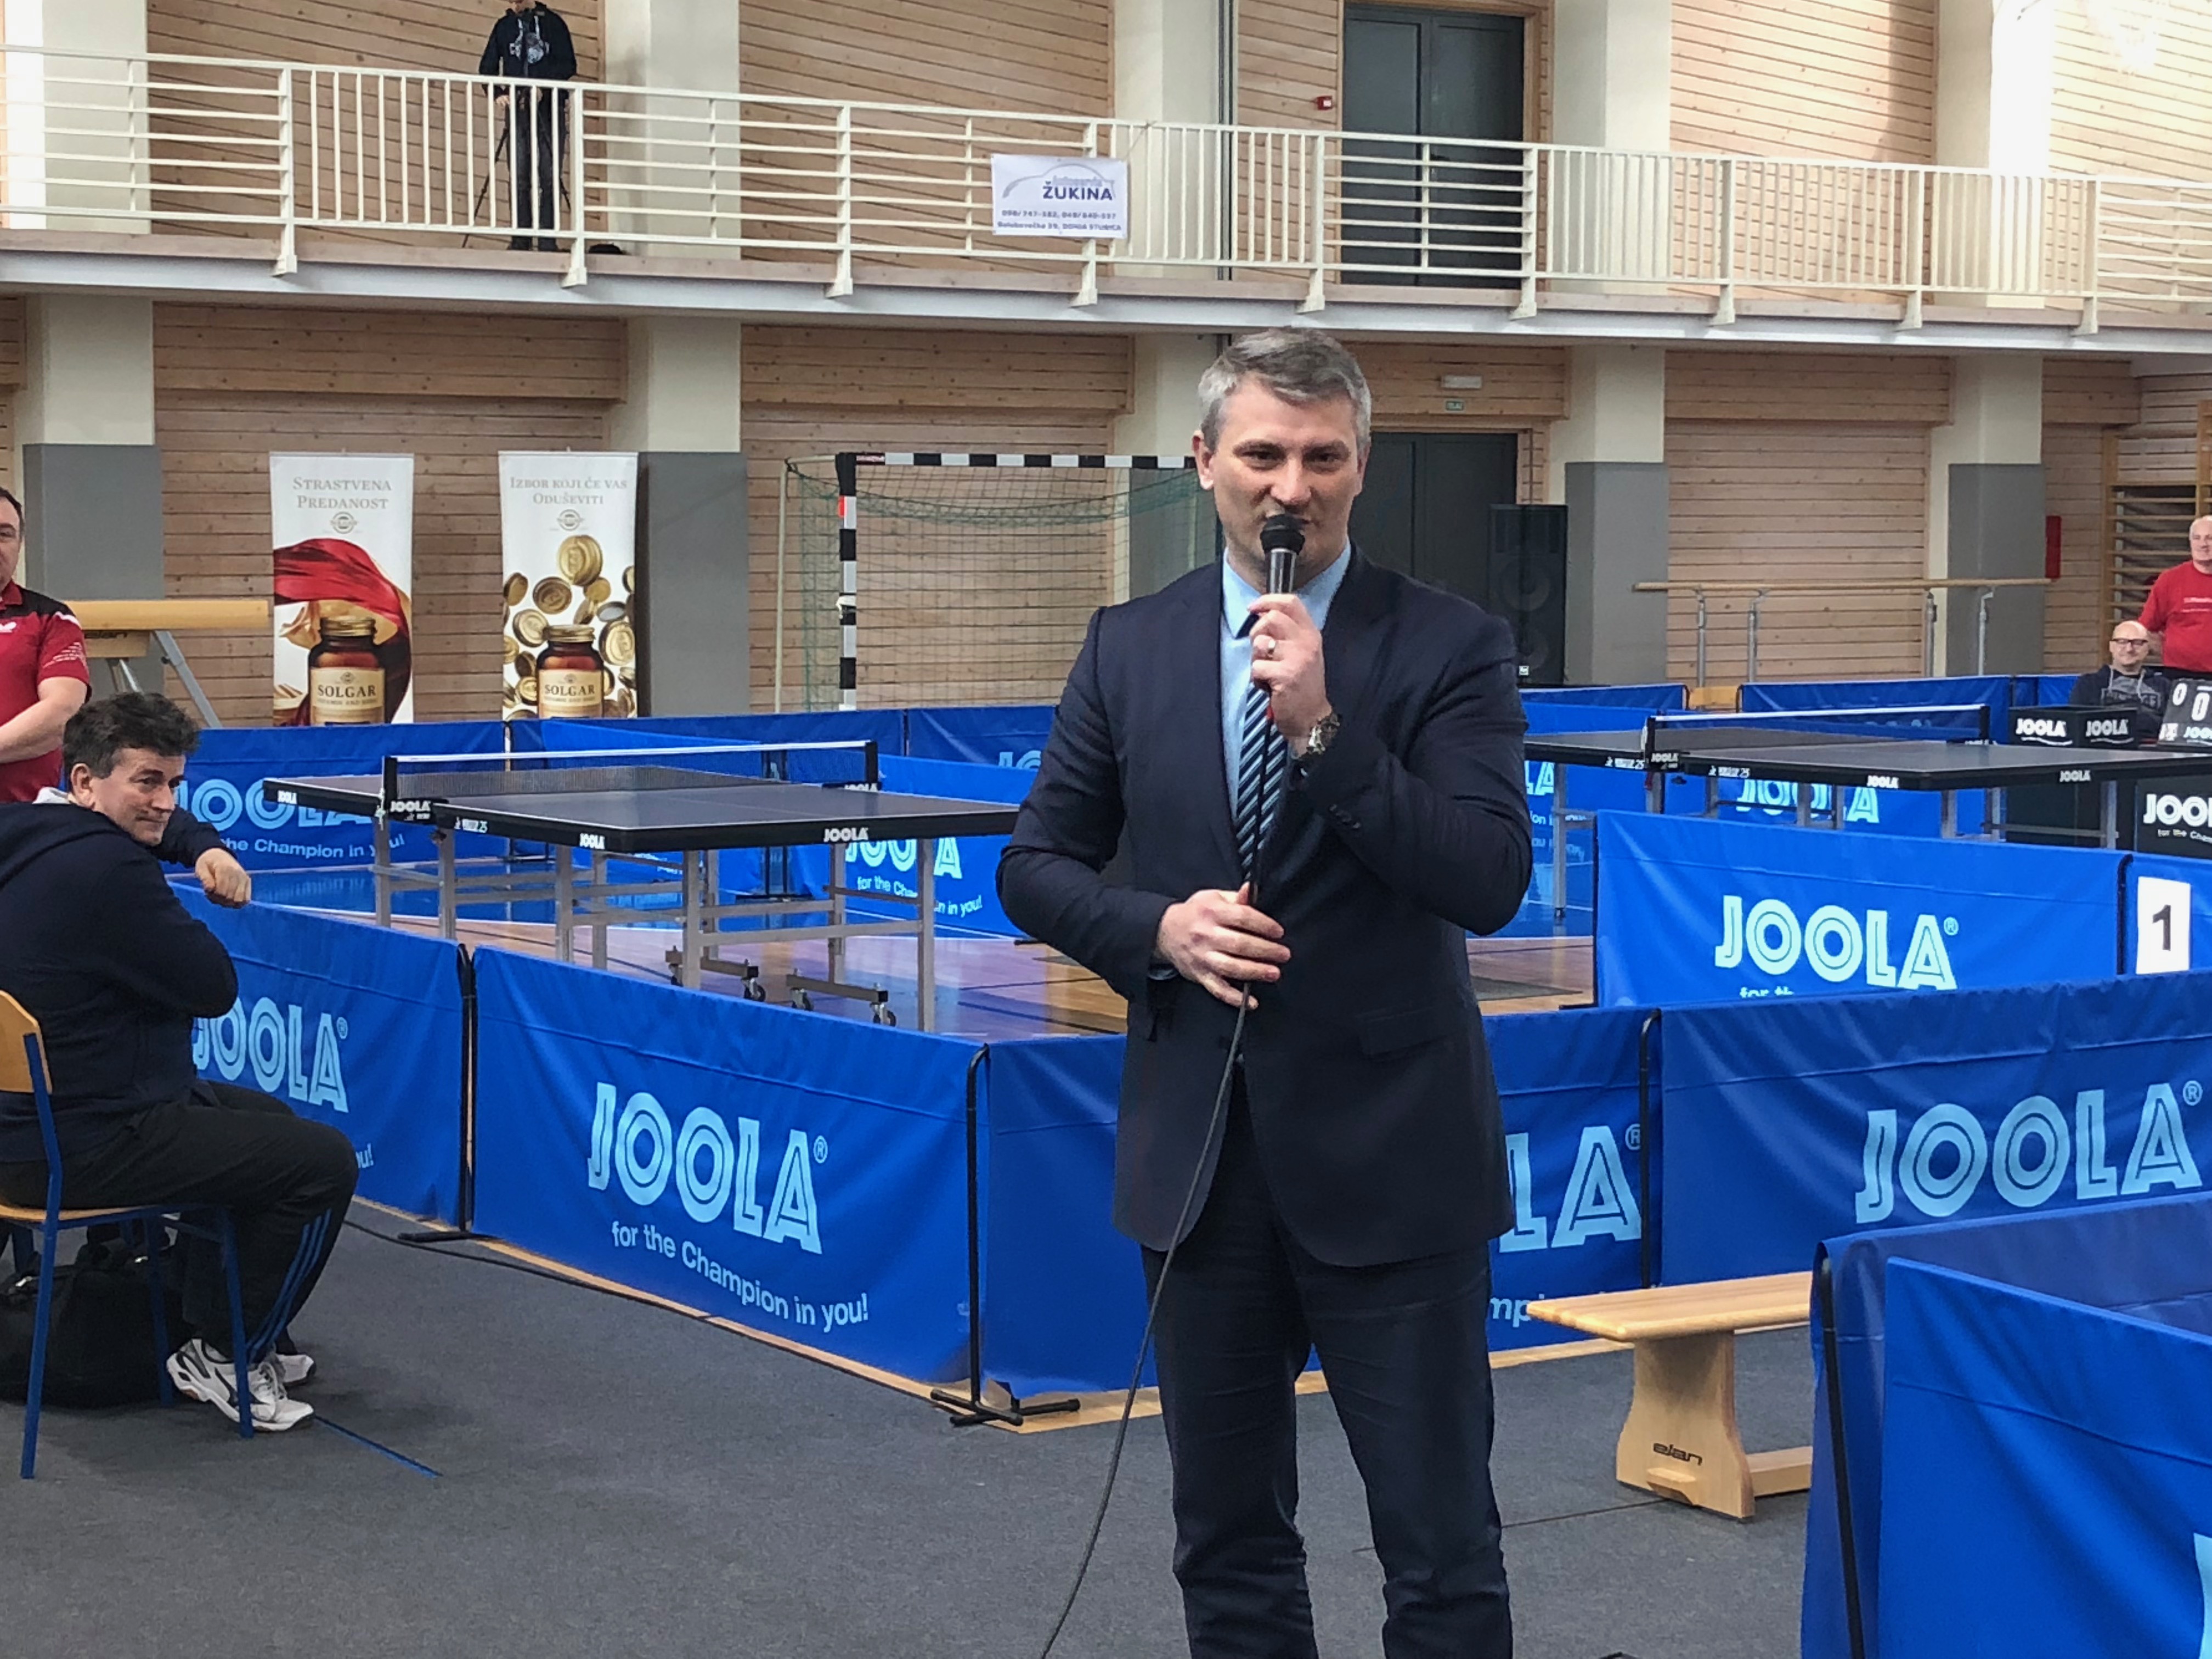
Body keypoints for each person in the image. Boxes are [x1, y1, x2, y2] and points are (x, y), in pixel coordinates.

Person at [1000, 330, 1530, 1657]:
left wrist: (1326, 736)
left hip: (1397, 1169)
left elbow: (1487, 879)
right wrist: (1157, 928)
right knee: (1228, 1545)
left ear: (1362, 467)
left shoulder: (1451, 645)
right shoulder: (1129, 646)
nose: (1292, 487)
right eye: (1263, 454)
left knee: (1442, 1550)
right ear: (1203, 462)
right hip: (1202, 1172)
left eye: (1322, 457)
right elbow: (1035, 868)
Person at [0, 693, 356, 1431]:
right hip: (82, 1143)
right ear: (84, 781)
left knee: (264, 1117)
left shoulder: (22, 833)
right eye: (147, 782)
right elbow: (213, 988)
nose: (165, 802)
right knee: (321, 1162)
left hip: (27, 1125)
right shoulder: (110, 874)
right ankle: (226, 1353)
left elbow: (151, 834)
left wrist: (200, 847)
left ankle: (225, 1321)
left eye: (174, 784)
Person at [0, 486, 89, 803]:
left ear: (20, 544)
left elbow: (62, 712)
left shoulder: (51, 619)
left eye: (5, 534)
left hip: (22, 818)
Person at [479, 0, 577, 252]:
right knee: (519, 174)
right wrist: (498, 93)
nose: (515, 5)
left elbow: (568, 64)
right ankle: (521, 239)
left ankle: (547, 240)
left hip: (550, 108)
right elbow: (487, 68)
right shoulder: (504, 26)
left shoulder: (553, 23)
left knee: (549, 174)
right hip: (518, 109)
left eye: (518, 1)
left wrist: (543, 86)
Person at [2139, 516, 2212, 677]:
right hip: (2178, 674)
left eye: (2210, 538)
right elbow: (2146, 629)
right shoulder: (2169, 580)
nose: (2203, 544)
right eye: (2197, 538)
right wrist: (2171, 652)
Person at [2070, 619, 2170, 736]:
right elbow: (2076, 725)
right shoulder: (2089, 684)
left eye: (2137, 643)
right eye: (2122, 642)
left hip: (2151, 745)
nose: (2129, 649)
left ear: (2147, 648)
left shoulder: (2164, 686)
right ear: (2111, 647)